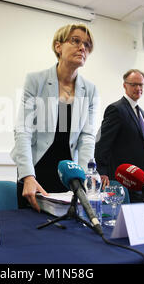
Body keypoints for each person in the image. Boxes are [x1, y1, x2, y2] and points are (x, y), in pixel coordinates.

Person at [11, 24, 106, 211]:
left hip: (69, 175)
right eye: (76, 41)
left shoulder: (91, 90)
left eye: (87, 45)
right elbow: (23, 131)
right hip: (36, 171)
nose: (82, 48)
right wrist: (28, 176)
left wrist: (83, 177)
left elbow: (86, 137)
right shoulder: (35, 81)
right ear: (58, 46)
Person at [95, 69, 144, 203]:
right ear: (125, 85)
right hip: (123, 179)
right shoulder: (116, 109)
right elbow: (102, 143)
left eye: (141, 85)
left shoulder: (141, 112)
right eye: (134, 84)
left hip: (141, 179)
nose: (138, 88)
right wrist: (102, 172)